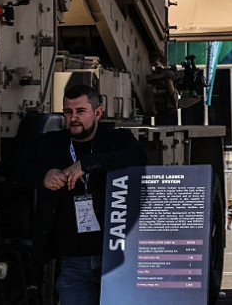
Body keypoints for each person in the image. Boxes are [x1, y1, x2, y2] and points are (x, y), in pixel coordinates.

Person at [27, 84, 147, 305]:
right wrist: (43, 176)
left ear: (98, 112)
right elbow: (13, 167)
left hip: (115, 257)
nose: (73, 118)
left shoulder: (116, 140)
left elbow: (139, 156)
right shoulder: (52, 143)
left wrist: (89, 163)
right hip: (74, 260)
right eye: (68, 111)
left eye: (80, 111)